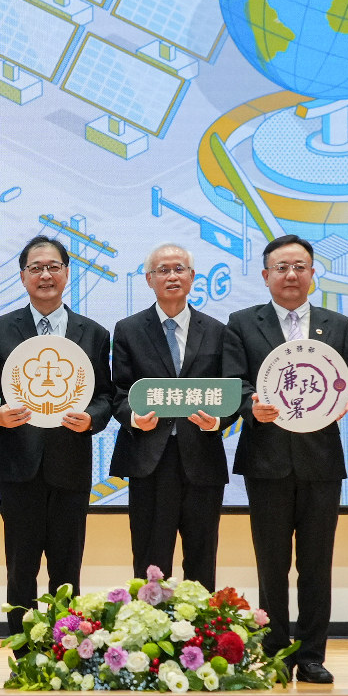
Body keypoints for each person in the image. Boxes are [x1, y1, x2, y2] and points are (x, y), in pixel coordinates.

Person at [227, 234, 348, 683]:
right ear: (265, 276)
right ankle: (276, 650)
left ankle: (313, 654)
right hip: (266, 460)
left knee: (317, 564)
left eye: (300, 266)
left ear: (313, 274)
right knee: (272, 563)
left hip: (321, 460)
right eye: (281, 267)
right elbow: (235, 383)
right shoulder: (242, 322)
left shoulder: (337, 325)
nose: (291, 275)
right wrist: (249, 406)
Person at [0, 236, 116, 633]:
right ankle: (21, 647)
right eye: (36, 268)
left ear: (67, 274)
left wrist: (93, 419)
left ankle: (66, 646)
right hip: (17, 465)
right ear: (22, 277)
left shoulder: (94, 333)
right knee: (20, 567)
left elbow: (106, 396)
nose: (45, 275)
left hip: (70, 463)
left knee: (67, 567)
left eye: (53, 266)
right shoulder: (0, 329)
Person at [110, 242, 240, 587]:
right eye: (163, 270)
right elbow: (118, 392)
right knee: (151, 562)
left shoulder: (217, 330)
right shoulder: (128, 329)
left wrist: (220, 421)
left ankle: (200, 636)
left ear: (192, 277)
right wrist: (134, 418)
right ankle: (152, 634)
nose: (172, 276)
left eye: (179, 269)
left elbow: (231, 389)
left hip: (202, 457)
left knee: (201, 558)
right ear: (149, 279)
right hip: (150, 459)